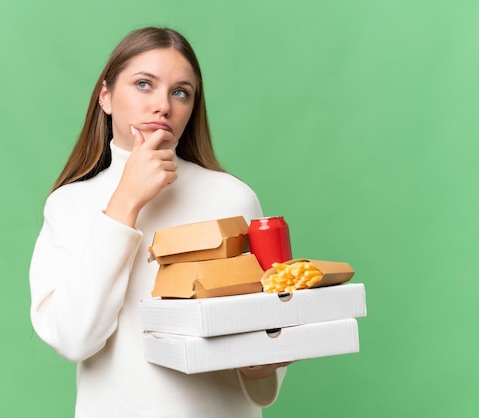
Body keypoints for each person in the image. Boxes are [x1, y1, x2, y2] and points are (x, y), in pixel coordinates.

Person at [29, 26, 289, 417]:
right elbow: (73, 339)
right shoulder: (69, 205)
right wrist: (126, 202)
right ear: (106, 97)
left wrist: (264, 359)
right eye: (144, 84)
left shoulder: (233, 197)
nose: (163, 106)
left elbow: (271, 333)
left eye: (180, 92)